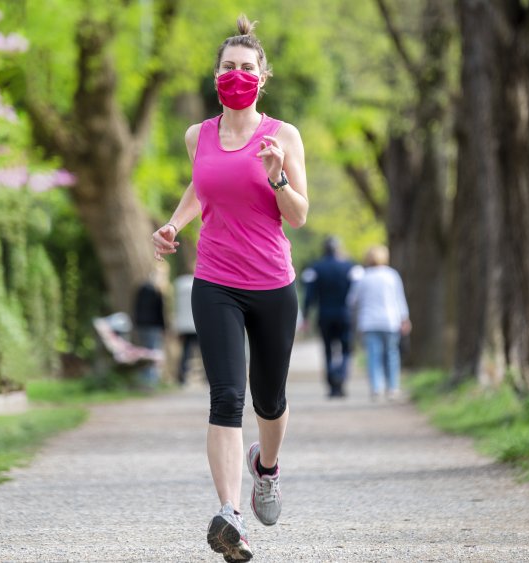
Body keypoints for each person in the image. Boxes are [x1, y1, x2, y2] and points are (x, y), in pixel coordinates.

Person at [150, 14, 308, 563]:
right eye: (228, 67)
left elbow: (300, 216)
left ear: (262, 77)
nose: (236, 74)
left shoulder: (282, 136)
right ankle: (229, 515)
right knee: (226, 396)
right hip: (215, 280)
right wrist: (173, 224)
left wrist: (277, 176)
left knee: (271, 398)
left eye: (246, 68)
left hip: (272, 283)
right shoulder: (199, 135)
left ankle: (265, 468)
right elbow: (201, 187)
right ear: (215, 74)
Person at [301, 236, 364, 398]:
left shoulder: (316, 268)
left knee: (328, 350)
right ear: (338, 248)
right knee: (346, 350)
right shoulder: (350, 267)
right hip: (345, 315)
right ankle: (341, 378)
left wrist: (306, 315)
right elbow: (357, 294)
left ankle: (332, 385)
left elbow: (310, 294)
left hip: (325, 314)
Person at [346, 245, 411, 401]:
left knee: (373, 356)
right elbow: (399, 298)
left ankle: (376, 388)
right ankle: (393, 388)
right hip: (390, 321)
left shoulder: (363, 277)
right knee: (392, 354)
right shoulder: (392, 275)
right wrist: (405, 318)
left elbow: (351, 301)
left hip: (369, 322)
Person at [133, 268, 166, 390]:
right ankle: (151, 380)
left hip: (142, 325)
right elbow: (159, 312)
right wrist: (163, 328)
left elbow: (136, 307)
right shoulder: (157, 291)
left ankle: (146, 379)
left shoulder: (141, 288)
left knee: (145, 351)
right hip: (153, 326)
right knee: (152, 352)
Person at [172, 267, 200, 386]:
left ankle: (182, 376)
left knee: (186, 351)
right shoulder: (198, 283)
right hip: (197, 323)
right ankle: (209, 377)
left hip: (184, 325)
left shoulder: (179, 285)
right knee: (204, 352)